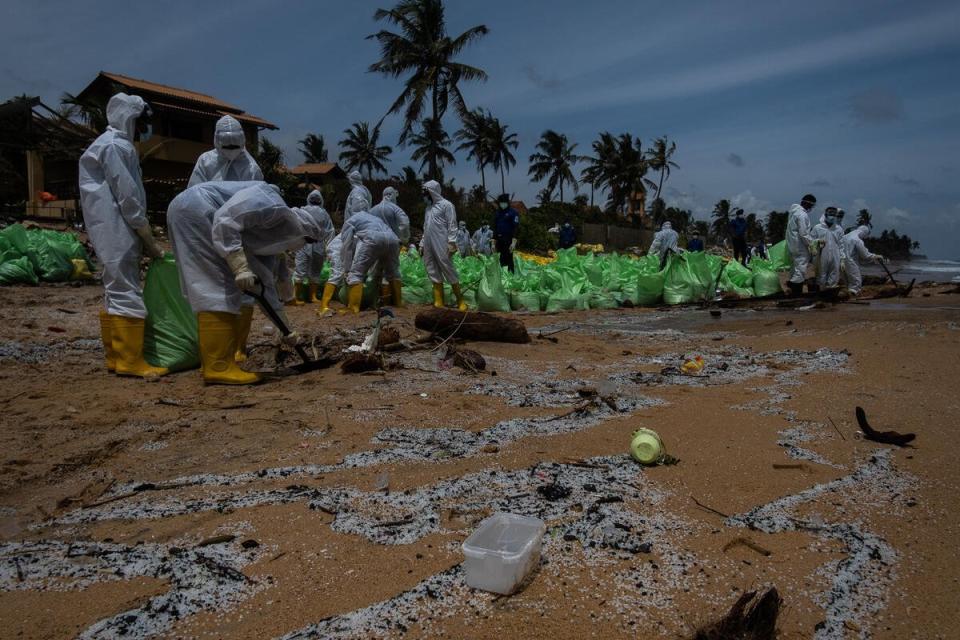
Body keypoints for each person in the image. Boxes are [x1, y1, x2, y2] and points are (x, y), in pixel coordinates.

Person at [166, 181, 322, 385]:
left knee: (217, 287)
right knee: (217, 287)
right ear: (302, 229)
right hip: (198, 209)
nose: (302, 247)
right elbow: (225, 221)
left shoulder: (267, 238)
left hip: (194, 213)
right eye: (308, 241)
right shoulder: (271, 205)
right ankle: (218, 367)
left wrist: (286, 330)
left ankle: (214, 362)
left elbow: (265, 286)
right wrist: (240, 268)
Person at [78, 92, 167, 378]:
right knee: (126, 288)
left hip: (107, 227)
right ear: (130, 119)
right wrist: (146, 235)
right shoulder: (117, 147)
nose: (144, 130)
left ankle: (116, 357)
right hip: (119, 225)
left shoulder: (104, 144)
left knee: (115, 288)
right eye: (141, 123)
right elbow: (127, 194)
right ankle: (131, 361)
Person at [339, 210, 402, 313]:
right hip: (393, 239)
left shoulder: (350, 221)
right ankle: (399, 304)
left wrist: (346, 269)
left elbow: (347, 246)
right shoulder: (374, 218)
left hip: (373, 238)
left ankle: (353, 308)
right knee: (393, 273)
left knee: (356, 274)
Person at [421, 180, 467, 310]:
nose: (424, 196)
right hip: (429, 243)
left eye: (426, 193)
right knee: (431, 267)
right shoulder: (428, 208)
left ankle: (460, 300)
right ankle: (439, 300)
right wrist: (422, 243)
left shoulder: (446, 205)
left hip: (441, 242)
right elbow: (426, 227)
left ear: (432, 192)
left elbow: (452, 224)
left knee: (446, 266)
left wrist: (452, 242)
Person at [188, 115, 263, 187]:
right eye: (227, 147)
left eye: (235, 147)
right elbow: (195, 191)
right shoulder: (205, 160)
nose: (231, 151)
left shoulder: (251, 167)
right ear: (217, 142)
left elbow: (257, 194)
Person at [292, 190, 335, 304]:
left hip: (303, 243)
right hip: (318, 244)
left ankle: (296, 296)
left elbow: (294, 227)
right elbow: (330, 231)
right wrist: (330, 247)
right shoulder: (324, 213)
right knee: (315, 271)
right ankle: (313, 296)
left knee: (300, 269)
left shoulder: (301, 211)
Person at [785, 194, 817, 295]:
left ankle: (792, 288)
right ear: (807, 204)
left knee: (794, 268)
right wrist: (811, 245)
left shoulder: (793, 213)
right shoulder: (802, 215)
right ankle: (795, 292)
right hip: (800, 246)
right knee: (800, 269)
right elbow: (804, 233)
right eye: (811, 206)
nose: (811, 208)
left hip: (792, 245)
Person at [811, 206, 846, 289]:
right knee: (821, 275)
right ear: (825, 214)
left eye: (834, 214)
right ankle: (821, 293)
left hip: (835, 256)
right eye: (830, 214)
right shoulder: (817, 228)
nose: (832, 216)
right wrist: (817, 241)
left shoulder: (839, 229)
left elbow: (841, 246)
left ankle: (831, 294)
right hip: (821, 255)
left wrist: (842, 259)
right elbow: (810, 241)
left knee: (834, 275)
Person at [844, 225, 884, 295]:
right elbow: (865, 255)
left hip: (840, 262)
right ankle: (852, 299)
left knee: (847, 282)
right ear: (864, 233)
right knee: (856, 283)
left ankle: (846, 298)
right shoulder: (857, 240)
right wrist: (875, 256)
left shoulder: (845, 237)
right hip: (850, 262)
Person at [493, 194, 520, 273]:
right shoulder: (498, 213)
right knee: (500, 259)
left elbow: (516, 227)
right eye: (501, 202)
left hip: (508, 240)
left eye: (504, 202)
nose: (502, 204)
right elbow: (495, 227)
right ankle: (502, 276)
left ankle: (510, 276)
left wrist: (514, 242)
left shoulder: (513, 212)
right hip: (499, 239)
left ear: (507, 202)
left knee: (508, 259)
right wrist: (493, 242)